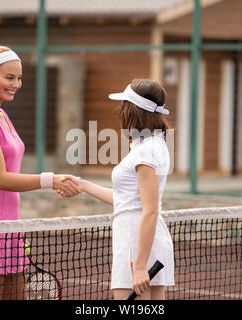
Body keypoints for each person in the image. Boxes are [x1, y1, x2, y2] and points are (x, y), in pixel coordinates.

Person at [0, 45, 80, 300]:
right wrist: (51, 180)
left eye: (19, 78)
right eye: (9, 77)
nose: (16, 84)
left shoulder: (1, 115)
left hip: (9, 228)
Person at [69, 78, 175, 300]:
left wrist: (139, 266)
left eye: (124, 106)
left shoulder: (146, 151)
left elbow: (150, 210)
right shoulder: (152, 144)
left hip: (136, 244)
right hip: (145, 241)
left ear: (132, 111)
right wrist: (82, 184)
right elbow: (127, 200)